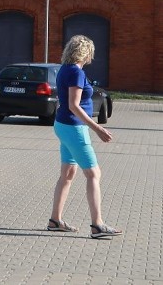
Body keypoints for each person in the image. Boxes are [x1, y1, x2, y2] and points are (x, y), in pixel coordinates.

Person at [48, 35, 122, 239]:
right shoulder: (75, 73)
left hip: (63, 125)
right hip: (74, 128)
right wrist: (97, 128)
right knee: (93, 174)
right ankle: (97, 225)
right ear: (86, 52)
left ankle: (55, 220)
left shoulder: (65, 69)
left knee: (68, 174)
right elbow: (74, 105)